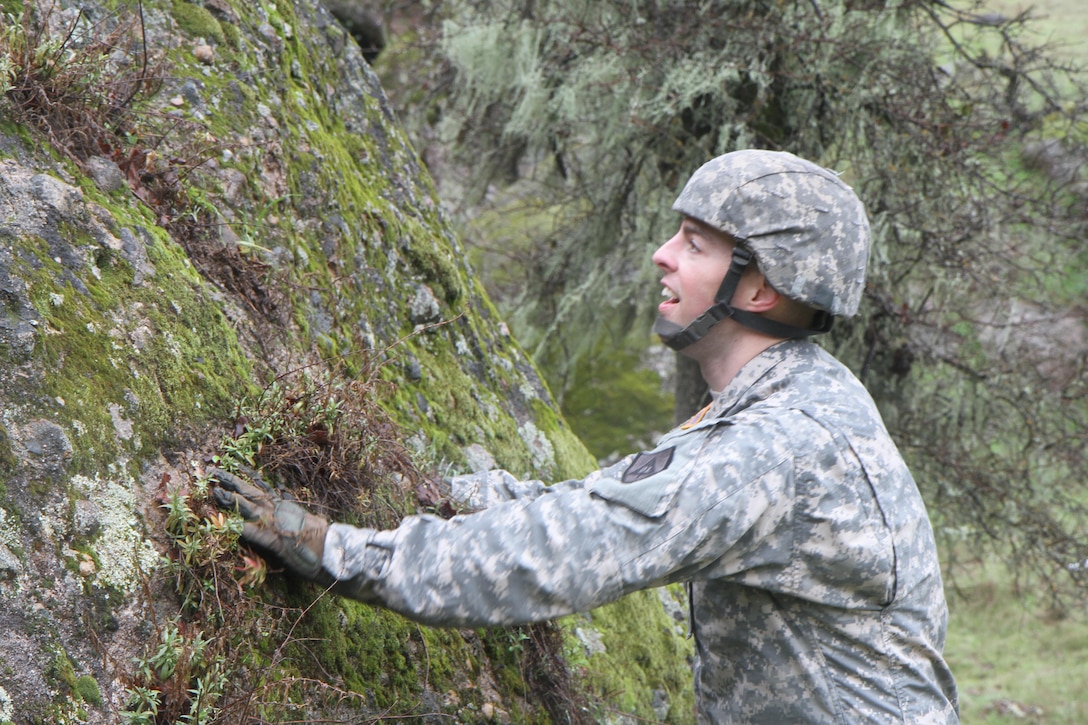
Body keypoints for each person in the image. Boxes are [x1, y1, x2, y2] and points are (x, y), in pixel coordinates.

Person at [214, 149, 960, 723]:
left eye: (696, 245)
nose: (663, 254)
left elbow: (568, 548)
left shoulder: (778, 449)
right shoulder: (791, 395)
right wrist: (447, 493)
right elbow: (608, 499)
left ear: (759, 288)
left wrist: (331, 546)